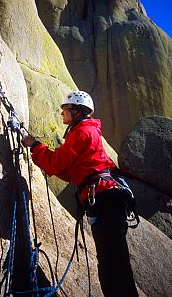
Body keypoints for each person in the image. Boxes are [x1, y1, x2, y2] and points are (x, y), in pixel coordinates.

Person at [22, 91, 138, 297]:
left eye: (64, 109)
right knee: (114, 265)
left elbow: (58, 162)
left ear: (75, 111)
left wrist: (35, 146)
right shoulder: (86, 131)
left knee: (113, 268)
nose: (61, 113)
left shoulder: (82, 133)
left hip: (106, 201)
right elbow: (71, 171)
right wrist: (49, 163)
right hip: (108, 199)